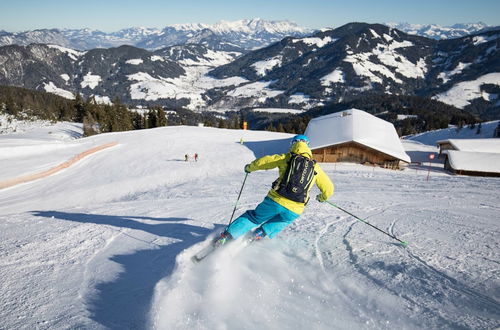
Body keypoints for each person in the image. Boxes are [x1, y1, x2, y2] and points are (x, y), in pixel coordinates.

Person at [214, 134, 334, 246]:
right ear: (308, 146)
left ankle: (226, 237)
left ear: (293, 144)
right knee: (282, 221)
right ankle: (258, 235)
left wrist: (250, 167)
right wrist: (322, 198)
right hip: (296, 209)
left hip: (276, 200)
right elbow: (329, 188)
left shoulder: (287, 158)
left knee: (254, 217)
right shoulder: (315, 167)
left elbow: (265, 161)